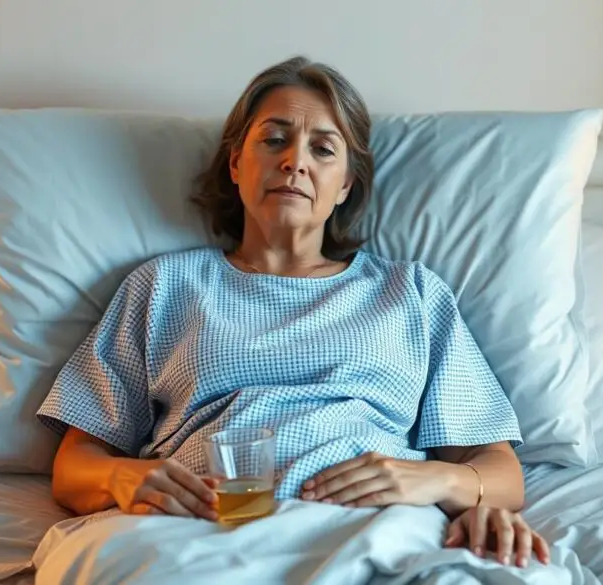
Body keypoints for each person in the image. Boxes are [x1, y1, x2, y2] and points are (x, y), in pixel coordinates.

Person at [36, 56, 550, 569]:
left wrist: (436, 479)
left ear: (346, 183)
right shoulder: (165, 286)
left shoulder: (410, 293)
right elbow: (74, 465)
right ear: (236, 163)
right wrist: (123, 477)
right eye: (274, 139)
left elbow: (500, 472)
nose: (294, 162)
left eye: (323, 149)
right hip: (205, 528)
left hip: (377, 526)